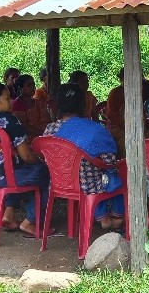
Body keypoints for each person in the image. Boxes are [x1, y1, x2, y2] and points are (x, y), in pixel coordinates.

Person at [43, 83, 125, 230]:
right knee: (117, 174)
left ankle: (103, 216)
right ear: (83, 104)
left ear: (59, 105)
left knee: (95, 172)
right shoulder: (95, 129)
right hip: (89, 185)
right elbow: (110, 161)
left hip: (59, 182)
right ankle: (116, 218)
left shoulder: (50, 129)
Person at [0, 82, 50, 238]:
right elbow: (27, 157)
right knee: (45, 172)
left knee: (18, 170)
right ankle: (30, 221)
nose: (11, 101)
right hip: (5, 176)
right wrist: (42, 163)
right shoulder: (9, 120)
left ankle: (9, 214)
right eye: (7, 98)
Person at [11, 73, 51, 140]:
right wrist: (44, 134)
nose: (33, 87)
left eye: (34, 84)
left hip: (46, 134)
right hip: (30, 139)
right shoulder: (17, 104)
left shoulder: (39, 102)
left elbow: (49, 120)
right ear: (20, 88)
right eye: (29, 85)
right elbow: (24, 127)